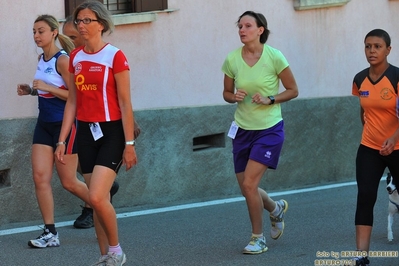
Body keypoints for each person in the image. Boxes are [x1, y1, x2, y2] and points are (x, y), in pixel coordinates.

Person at [55, 1, 137, 265]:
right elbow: (72, 102)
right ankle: (105, 256)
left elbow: (125, 103)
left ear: (101, 24)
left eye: (87, 20)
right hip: (86, 134)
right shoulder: (76, 57)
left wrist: (129, 144)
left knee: (95, 197)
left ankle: (116, 250)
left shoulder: (115, 56)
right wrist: (62, 139)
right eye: (79, 21)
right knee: (99, 199)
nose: (81, 25)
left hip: (111, 131)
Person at [221, 11, 298, 255]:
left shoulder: (274, 57)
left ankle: (258, 238)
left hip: (269, 130)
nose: (242, 30)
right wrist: (234, 97)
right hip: (242, 130)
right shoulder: (232, 59)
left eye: (247, 26)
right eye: (239, 26)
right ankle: (276, 209)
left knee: (251, 184)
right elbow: (226, 93)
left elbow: (293, 90)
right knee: (246, 187)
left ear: (260, 30)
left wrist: (270, 99)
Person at [16, 14, 91, 248]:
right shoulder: (42, 58)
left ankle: (101, 203)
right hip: (44, 125)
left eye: (41, 31)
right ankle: (50, 233)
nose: (36, 36)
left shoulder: (63, 60)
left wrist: (46, 86)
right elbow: (48, 91)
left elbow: (76, 97)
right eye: (34, 32)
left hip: (64, 126)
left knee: (69, 182)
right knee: (40, 178)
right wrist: (31, 90)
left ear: (53, 33)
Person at [351, 29, 399, 266]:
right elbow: (364, 109)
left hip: (398, 146)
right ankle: (361, 256)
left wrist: (393, 136)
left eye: (378, 46)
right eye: (368, 46)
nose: (372, 51)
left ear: (388, 50)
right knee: (365, 197)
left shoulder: (397, 77)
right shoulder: (360, 78)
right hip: (370, 147)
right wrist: (371, 132)